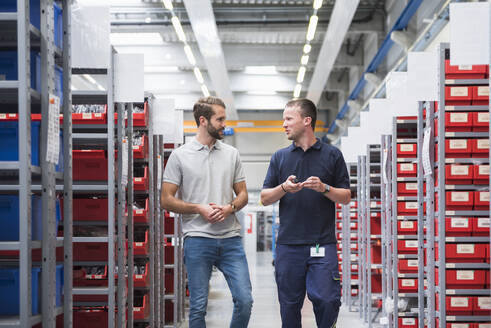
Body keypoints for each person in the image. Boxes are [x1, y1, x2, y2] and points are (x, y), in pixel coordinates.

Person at [161, 96, 253, 328]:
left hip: (230, 239)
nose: (224, 124)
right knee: (198, 307)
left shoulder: (232, 154)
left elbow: (243, 195)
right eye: (220, 119)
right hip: (198, 239)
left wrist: (229, 207)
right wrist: (197, 208)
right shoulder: (180, 155)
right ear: (203, 120)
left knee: (245, 300)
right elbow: (166, 199)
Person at [260, 98, 351, 328]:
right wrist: (283, 188)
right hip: (288, 246)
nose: (284, 124)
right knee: (289, 306)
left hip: (322, 244)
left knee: (328, 299)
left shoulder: (332, 155)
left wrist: (325, 188)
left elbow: (346, 197)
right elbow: (264, 198)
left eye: (289, 119)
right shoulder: (280, 157)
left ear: (307, 120)